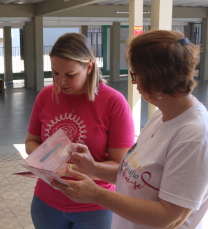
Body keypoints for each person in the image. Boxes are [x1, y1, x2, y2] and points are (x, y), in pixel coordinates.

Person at [51, 30, 208, 229]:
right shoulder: (162, 115)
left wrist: (97, 194)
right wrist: (93, 167)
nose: (134, 85)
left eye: (134, 76)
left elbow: (169, 217)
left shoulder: (194, 136)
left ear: (156, 79)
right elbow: (134, 175)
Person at [25, 32, 135, 229]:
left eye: (70, 75)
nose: (60, 82)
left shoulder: (113, 102)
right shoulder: (45, 95)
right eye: (55, 73)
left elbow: (121, 167)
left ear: (89, 66)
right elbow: (31, 142)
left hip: (95, 206)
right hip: (46, 203)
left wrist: (69, 169)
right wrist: (46, 161)